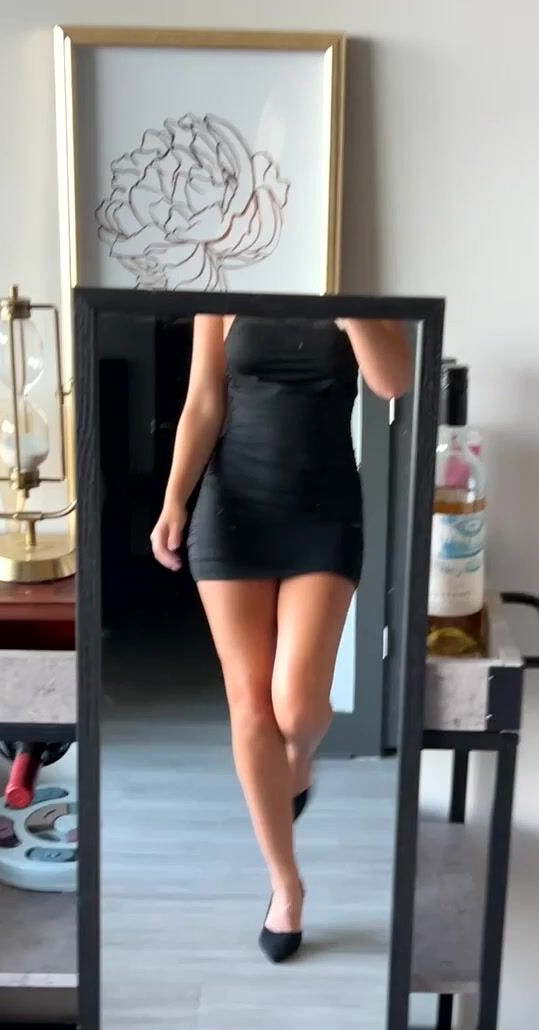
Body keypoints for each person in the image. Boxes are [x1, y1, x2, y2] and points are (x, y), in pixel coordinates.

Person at [151, 314, 412, 962]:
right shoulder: (228, 287)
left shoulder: (351, 281)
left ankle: (297, 760)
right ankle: (285, 886)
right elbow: (204, 400)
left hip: (324, 512)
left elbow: (394, 381)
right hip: (232, 506)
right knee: (249, 706)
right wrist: (175, 497)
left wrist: (349, 310)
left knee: (296, 708)